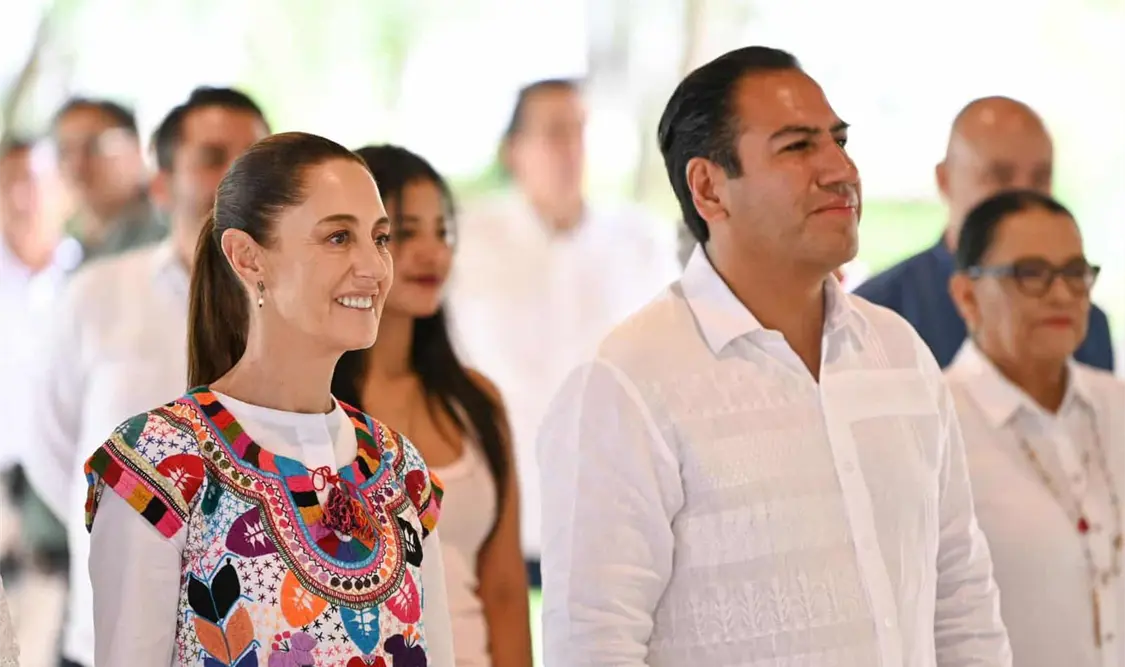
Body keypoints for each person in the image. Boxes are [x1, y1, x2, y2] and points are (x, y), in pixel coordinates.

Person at [537, 46, 1011, 666]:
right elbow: (594, 645)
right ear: (708, 187)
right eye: (797, 147)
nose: (840, 169)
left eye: (839, 141)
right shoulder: (625, 384)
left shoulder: (898, 353)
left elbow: (960, 597)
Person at [82, 132, 455, 666]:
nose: (373, 267)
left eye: (379, 237)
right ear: (247, 258)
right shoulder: (161, 466)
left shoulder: (401, 471)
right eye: (337, 238)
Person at [22, 87, 270, 667]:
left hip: (265, 631)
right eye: (213, 157)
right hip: (116, 632)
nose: (239, 175)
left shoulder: (297, 306)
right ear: (161, 186)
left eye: (255, 156)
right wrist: (125, 528)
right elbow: (52, 450)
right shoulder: (95, 296)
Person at [447, 79, 681, 583]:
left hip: (617, 497)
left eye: (579, 130)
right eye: (554, 132)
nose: (571, 147)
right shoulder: (463, 243)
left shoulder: (641, 241)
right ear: (515, 150)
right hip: (499, 496)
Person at [333, 145, 533, 667]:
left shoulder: (477, 400)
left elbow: (507, 588)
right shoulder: (311, 405)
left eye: (442, 232)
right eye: (403, 233)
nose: (432, 252)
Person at [946, 190, 1125, 667]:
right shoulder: (937, 423)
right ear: (967, 295)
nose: (1062, 293)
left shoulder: (1117, 404)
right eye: (1030, 274)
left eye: (1074, 273)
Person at [854, 96, 1113, 371]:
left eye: (1040, 178)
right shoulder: (876, 315)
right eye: (1000, 176)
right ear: (945, 180)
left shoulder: (1082, 324)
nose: (1022, 197)